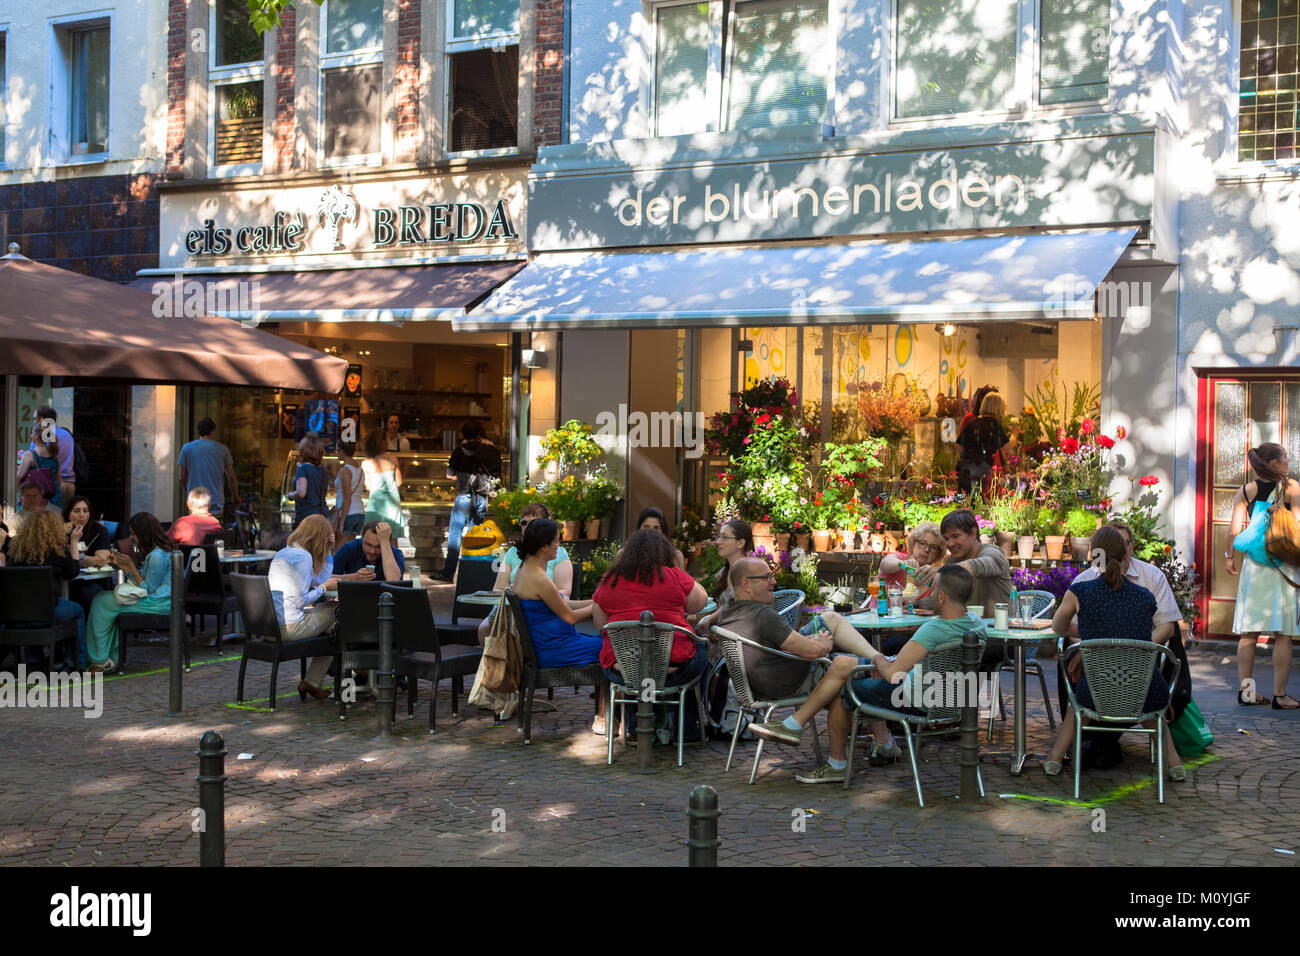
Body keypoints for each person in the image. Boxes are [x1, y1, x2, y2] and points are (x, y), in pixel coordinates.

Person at [747, 566, 991, 783]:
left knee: (846, 688)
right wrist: (882, 662)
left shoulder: (932, 629)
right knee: (844, 664)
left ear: (941, 596)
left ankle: (836, 764)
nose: (925, 593)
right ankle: (879, 744)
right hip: (950, 701)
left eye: (932, 588)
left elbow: (892, 673)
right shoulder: (975, 623)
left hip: (917, 699)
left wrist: (878, 660)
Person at [1043, 526, 1185, 779]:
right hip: (1145, 691)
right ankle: (1174, 764)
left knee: (1077, 708)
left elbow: (1058, 626)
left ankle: (1054, 759)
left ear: (1093, 555)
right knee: (1152, 709)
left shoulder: (1081, 591)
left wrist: (1088, 633)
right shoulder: (1144, 596)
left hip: (1097, 691)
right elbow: (1157, 629)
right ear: (1124, 555)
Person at [592, 528, 709, 737]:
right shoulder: (674, 576)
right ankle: (688, 728)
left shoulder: (611, 579)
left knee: (632, 660)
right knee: (701, 647)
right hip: (672, 670)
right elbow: (699, 603)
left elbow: (600, 625)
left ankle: (637, 728)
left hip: (625, 671)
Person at [511, 518, 604, 729]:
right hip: (553, 648)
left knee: (606, 643)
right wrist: (597, 607)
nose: (558, 546)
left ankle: (604, 704)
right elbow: (570, 616)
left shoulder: (528, 568)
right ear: (544, 546)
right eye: (556, 541)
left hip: (550, 643)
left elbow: (562, 602)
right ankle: (604, 714)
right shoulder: (539, 578)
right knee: (612, 646)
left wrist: (599, 599)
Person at [1226, 442, 1299, 709]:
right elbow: (1298, 527)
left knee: (1249, 633)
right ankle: (1280, 696)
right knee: (1283, 634)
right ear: (1276, 464)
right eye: (1286, 457)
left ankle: (1247, 691)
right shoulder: (1291, 488)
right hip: (1283, 565)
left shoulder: (1246, 490)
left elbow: (1234, 531)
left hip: (1254, 566)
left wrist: (1229, 558)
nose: (1289, 461)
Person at [86, 513, 176, 672]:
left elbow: (147, 589)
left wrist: (130, 566)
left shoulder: (157, 556)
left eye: (134, 533)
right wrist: (126, 567)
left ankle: (101, 659)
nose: (132, 537)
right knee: (103, 600)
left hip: (159, 603)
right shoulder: (160, 551)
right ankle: (108, 657)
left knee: (100, 602)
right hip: (160, 600)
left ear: (144, 534)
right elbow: (141, 581)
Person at [267, 514, 343, 700]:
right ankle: (325, 671)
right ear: (319, 538)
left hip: (272, 625)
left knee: (332, 618)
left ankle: (321, 671)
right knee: (339, 611)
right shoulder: (303, 557)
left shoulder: (286, 551)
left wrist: (329, 551)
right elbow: (303, 599)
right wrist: (325, 588)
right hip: (290, 628)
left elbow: (319, 579)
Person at [477, 503, 573, 644]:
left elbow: (565, 591)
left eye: (533, 523)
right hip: (512, 609)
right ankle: (494, 665)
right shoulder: (511, 553)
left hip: (544, 610)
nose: (527, 527)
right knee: (484, 628)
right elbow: (498, 588)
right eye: (524, 522)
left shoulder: (557, 553)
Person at [6, 509, 87, 669]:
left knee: (29, 606)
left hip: (15, 618)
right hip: (48, 614)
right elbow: (73, 571)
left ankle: (34, 661)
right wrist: (74, 543)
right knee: (77, 611)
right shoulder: (57, 553)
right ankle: (74, 662)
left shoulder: (15, 554)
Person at [914, 509, 1012, 617]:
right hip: (964, 629)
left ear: (973, 533)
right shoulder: (953, 560)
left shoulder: (994, 553)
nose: (950, 543)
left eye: (955, 536)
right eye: (946, 538)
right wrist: (915, 603)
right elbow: (943, 598)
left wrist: (944, 571)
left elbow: (980, 565)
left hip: (996, 631)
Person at [440, 421, 501, 581]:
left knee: (455, 533)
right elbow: (497, 475)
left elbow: (450, 474)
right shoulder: (492, 450)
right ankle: (471, 571)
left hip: (464, 496)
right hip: (482, 496)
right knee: (475, 534)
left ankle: (448, 572)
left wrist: (461, 476)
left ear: (464, 434)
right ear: (480, 433)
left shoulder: (460, 450)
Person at [694, 519, 754, 636]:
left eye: (724, 538)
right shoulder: (723, 573)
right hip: (724, 634)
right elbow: (721, 609)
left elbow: (746, 614)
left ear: (740, 543)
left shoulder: (750, 574)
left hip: (742, 639)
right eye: (719, 537)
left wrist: (712, 623)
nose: (718, 542)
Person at [62, 496, 113, 616]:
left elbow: (102, 560)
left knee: (84, 595)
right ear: (67, 514)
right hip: (66, 581)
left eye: (85, 511)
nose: (81, 515)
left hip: (93, 582)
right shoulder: (60, 531)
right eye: (76, 511)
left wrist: (77, 557)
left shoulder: (98, 530)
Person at [177, 418, 238, 517]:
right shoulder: (223, 449)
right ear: (213, 431)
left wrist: (190, 493)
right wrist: (235, 497)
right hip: (216, 501)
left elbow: (182, 477)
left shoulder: (187, 448)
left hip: (195, 502)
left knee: (196, 530)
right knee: (214, 530)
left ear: (198, 431)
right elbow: (231, 478)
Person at [956, 392, 1010, 494]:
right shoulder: (994, 423)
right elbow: (1006, 446)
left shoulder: (973, 422)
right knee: (981, 500)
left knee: (964, 498)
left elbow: (958, 445)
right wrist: (1015, 434)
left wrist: (968, 456)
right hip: (984, 471)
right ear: (998, 408)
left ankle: (959, 508)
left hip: (967, 469)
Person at [361, 427, 405, 540]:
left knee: (373, 538)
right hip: (392, 504)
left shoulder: (366, 463)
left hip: (375, 505)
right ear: (383, 442)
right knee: (392, 539)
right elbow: (399, 482)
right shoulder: (393, 459)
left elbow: (368, 486)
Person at [29, 406, 77, 504]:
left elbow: (35, 458)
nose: (34, 422)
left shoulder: (40, 436)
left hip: (51, 485)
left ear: (41, 419)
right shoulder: (66, 434)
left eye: (34, 419)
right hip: (70, 484)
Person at [332, 519, 405, 582]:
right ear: (362, 539)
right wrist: (353, 577)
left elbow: (394, 580)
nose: (372, 551)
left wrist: (385, 542)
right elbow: (327, 578)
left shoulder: (395, 553)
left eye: (378, 547)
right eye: (368, 545)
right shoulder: (349, 548)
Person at [17, 417, 63, 508]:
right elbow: (59, 481)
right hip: (53, 499)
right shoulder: (54, 456)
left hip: (34, 499)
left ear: (36, 436)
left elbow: (19, 476)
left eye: (32, 433)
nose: (31, 435)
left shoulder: (30, 455)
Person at [286, 433, 329, 530]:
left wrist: (290, 495)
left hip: (306, 518)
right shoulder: (323, 471)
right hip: (322, 517)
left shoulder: (303, 468)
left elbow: (301, 493)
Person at [333, 440, 366, 543]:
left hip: (348, 515)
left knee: (339, 553)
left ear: (342, 451)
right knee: (349, 551)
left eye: (337, 450)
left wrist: (342, 522)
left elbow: (347, 497)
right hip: (360, 513)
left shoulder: (345, 471)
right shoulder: (360, 469)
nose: (336, 452)